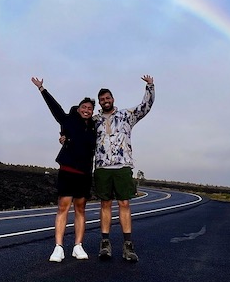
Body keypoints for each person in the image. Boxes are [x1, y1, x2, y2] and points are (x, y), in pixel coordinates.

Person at [31, 76, 96, 262]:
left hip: (84, 173)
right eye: (84, 107)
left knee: (80, 209)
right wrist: (42, 89)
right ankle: (58, 247)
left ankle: (78, 246)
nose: (86, 110)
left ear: (92, 112)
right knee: (63, 207)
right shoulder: (68, 120)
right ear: (78, 108)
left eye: (90, 108)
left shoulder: (95, 127)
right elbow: (55, 108)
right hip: (68, 170)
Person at [93, 75, 155, 262]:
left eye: (107, 98)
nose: (105, 101)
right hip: (102, 167)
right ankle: (105, 243)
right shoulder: (94, 121)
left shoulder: (126, 116)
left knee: (124, 204)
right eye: (102, 99)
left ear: (113, 99)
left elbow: (145, 107)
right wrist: (64, 135)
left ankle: (128, 245)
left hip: (122, 166)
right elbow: (75, 126)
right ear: (99, 102)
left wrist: (150, 86)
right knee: (105, 204)